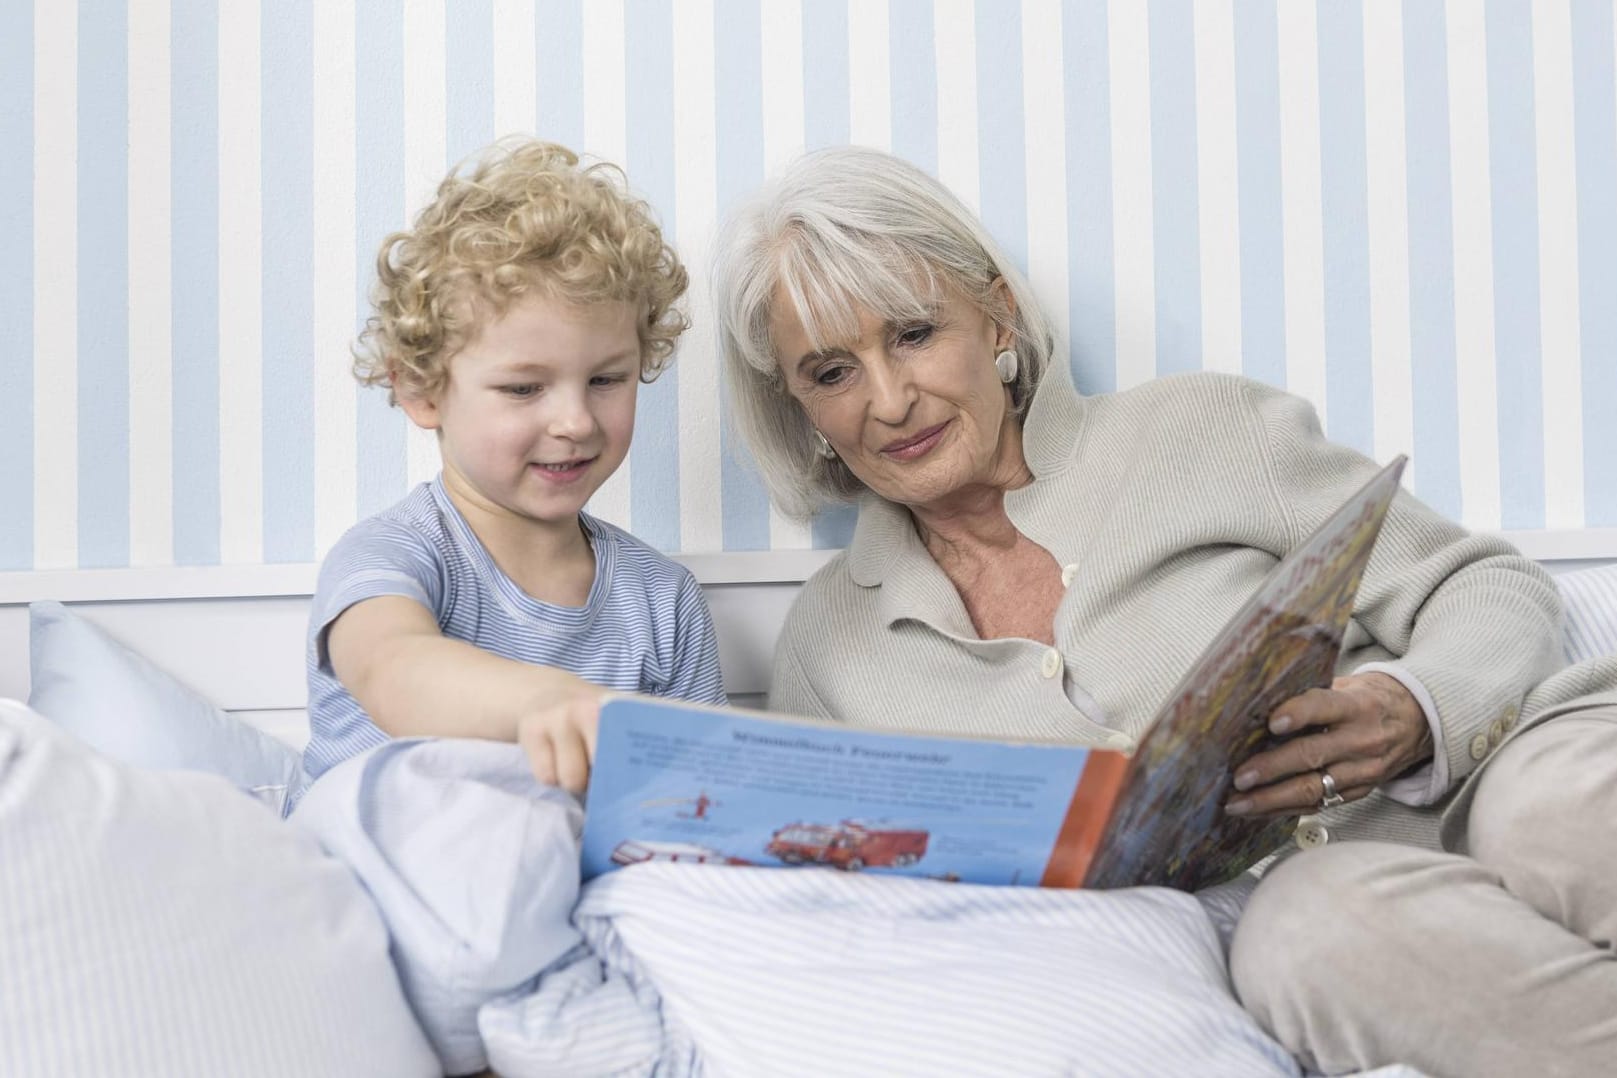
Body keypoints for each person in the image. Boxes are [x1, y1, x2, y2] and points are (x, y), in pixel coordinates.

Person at [711, 145, 1617, 1076]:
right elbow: (845, 906)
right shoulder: (829, 647)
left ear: (995, 315)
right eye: (831, 371)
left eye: (911, 334)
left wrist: (1414, 704)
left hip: (1497, 767)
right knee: (1308, 932)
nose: (890, 401)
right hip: (1316, 900)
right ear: (799, 405)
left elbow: (1481, 583)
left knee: (1554, 808)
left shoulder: (1200, 429)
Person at [303, 137, 726, 799]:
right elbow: (392, 669)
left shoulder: (660, 600)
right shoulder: (394, 556)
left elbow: (698, 792)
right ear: (422, 390)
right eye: (524, 389)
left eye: (607, 379)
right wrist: (545, 700)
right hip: (386, 854)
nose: (576, 422)